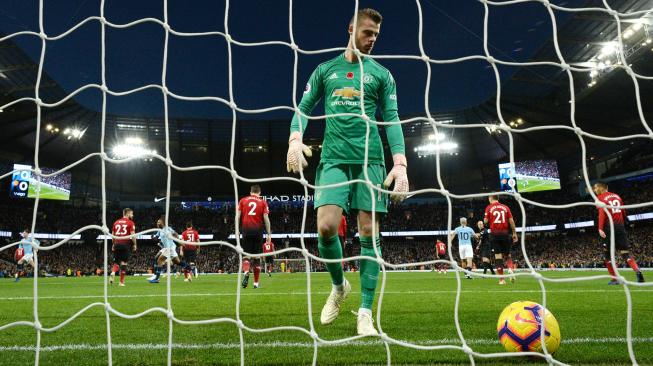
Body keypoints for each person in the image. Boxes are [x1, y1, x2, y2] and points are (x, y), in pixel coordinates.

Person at [286, 8, 408, 336]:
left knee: (369, 232)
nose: (372, 40)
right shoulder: (326, 70)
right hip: (334, 161)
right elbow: (302, 109)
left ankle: (366, 311)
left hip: (371, 161)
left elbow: (392, 118)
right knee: (325, 228)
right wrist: (295, 139)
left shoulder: (382, 75)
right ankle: (340, 287)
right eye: (367, 33)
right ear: (351, 28)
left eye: (376, 36)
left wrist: (400, 163)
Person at [593, 182, 645, 284]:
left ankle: (615, 279)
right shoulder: (617, 196)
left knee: (607, 254)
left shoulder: (600, 198)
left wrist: (600, 228)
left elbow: (602, 213)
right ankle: (638, 272)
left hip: (609, 227)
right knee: (625, 253)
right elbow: (623, 212)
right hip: (620, 226)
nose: (594, 191)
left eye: (595, 188)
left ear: (600, 188)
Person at [236, 185, 272, 289]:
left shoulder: (243, 200)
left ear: (250, 192)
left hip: (246, 230)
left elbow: (237, 216)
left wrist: (237, 230)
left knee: (246, 256)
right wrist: (269, 233)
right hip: (258, 231)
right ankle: (256, 283)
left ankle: (246, 271)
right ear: (259, 193)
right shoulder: (263, 202)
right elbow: (266, 218)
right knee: (257, 258)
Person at [484, 195, 518, 285]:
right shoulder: (505, 207)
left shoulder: (489, 207)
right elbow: (511, 221)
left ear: (491, 198)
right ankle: (510, 268)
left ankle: (502, 280)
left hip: (494, 234)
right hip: (505, 234)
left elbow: (485, 221)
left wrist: (488, 219)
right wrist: (514, 233)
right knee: (508, 255)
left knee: (498, 257)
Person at [110, 208, 137, 286]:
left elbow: (113, 235)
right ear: (128, 214)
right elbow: (133, 235)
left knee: (117, 262)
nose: (132, 215)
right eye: (132, 214)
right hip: (125, 244)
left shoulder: (116, 222)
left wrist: (113, 244)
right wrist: (135, 244)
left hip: (117, 244)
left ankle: (113, 272)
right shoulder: (130, 223)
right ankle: (121, 282)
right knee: (124, 263)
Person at [149, 217, 180, 284]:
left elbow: (175, 234)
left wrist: (178, 240)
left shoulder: (168, 228)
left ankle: (156, 277)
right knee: (175, 262)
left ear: (163, 223)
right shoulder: (159, 230)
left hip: (170, 247)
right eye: (157, 222)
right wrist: (152, 238)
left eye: (159, 222)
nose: (157, 223)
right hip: (166, 248)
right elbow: (156, 238)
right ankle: (184, 269)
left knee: (160, 260)